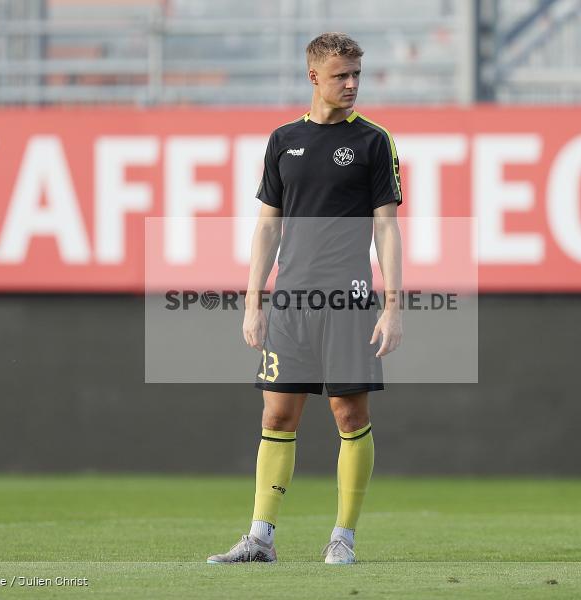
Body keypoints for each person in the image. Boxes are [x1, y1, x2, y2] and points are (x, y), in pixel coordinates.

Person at [207, 32, 403, 565]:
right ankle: (260, 537)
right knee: (277, 416)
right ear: (314, 77)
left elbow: (387, 229)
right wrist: (254, 301)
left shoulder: (373, 142)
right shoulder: (283, 141)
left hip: (348, 301)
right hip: (290, 301)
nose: (352, 84)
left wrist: (392, 304)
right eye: (342, 75)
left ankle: (344, 536)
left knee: (347, 414)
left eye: (357, 74)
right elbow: (267, 228)